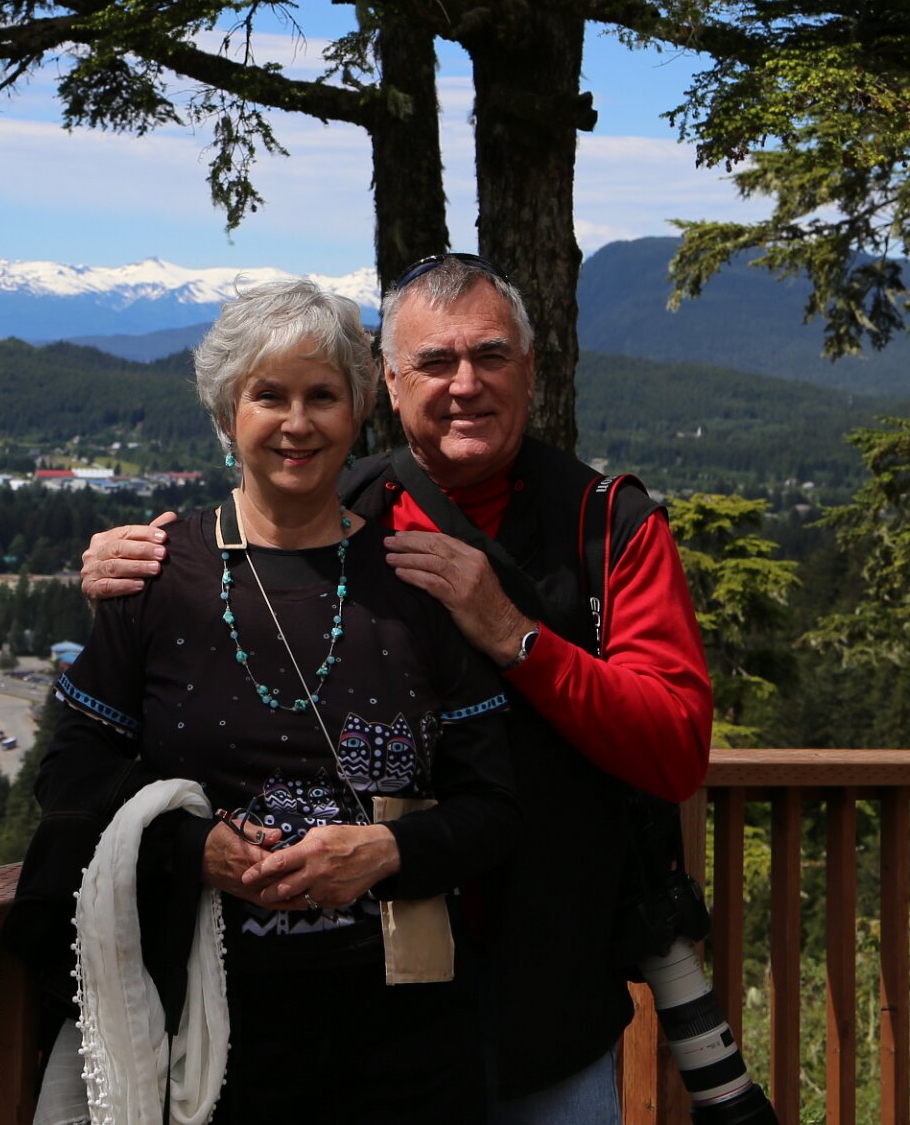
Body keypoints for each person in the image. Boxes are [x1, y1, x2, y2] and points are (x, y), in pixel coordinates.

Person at [80, 254, 714, 1125]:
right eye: (434, 362)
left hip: (546, 976)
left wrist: (513, 636)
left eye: (489, 356)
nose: (464, 385)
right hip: (369, 1010)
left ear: (531, 370)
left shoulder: (606, 525)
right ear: (387, 382)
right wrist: (123, 574)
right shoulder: (337, 503)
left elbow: (674, 749)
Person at [14, 277, 523, 1124]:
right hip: (201, 1037)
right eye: (268, 396)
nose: (297, 423)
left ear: (358, 411)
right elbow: (69, 771)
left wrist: (386, 852)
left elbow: (495, 807)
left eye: (322, 395)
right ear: (227, 414)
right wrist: (190, 848)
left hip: (402, 1045)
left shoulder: (415, 585)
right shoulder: (158, 577)